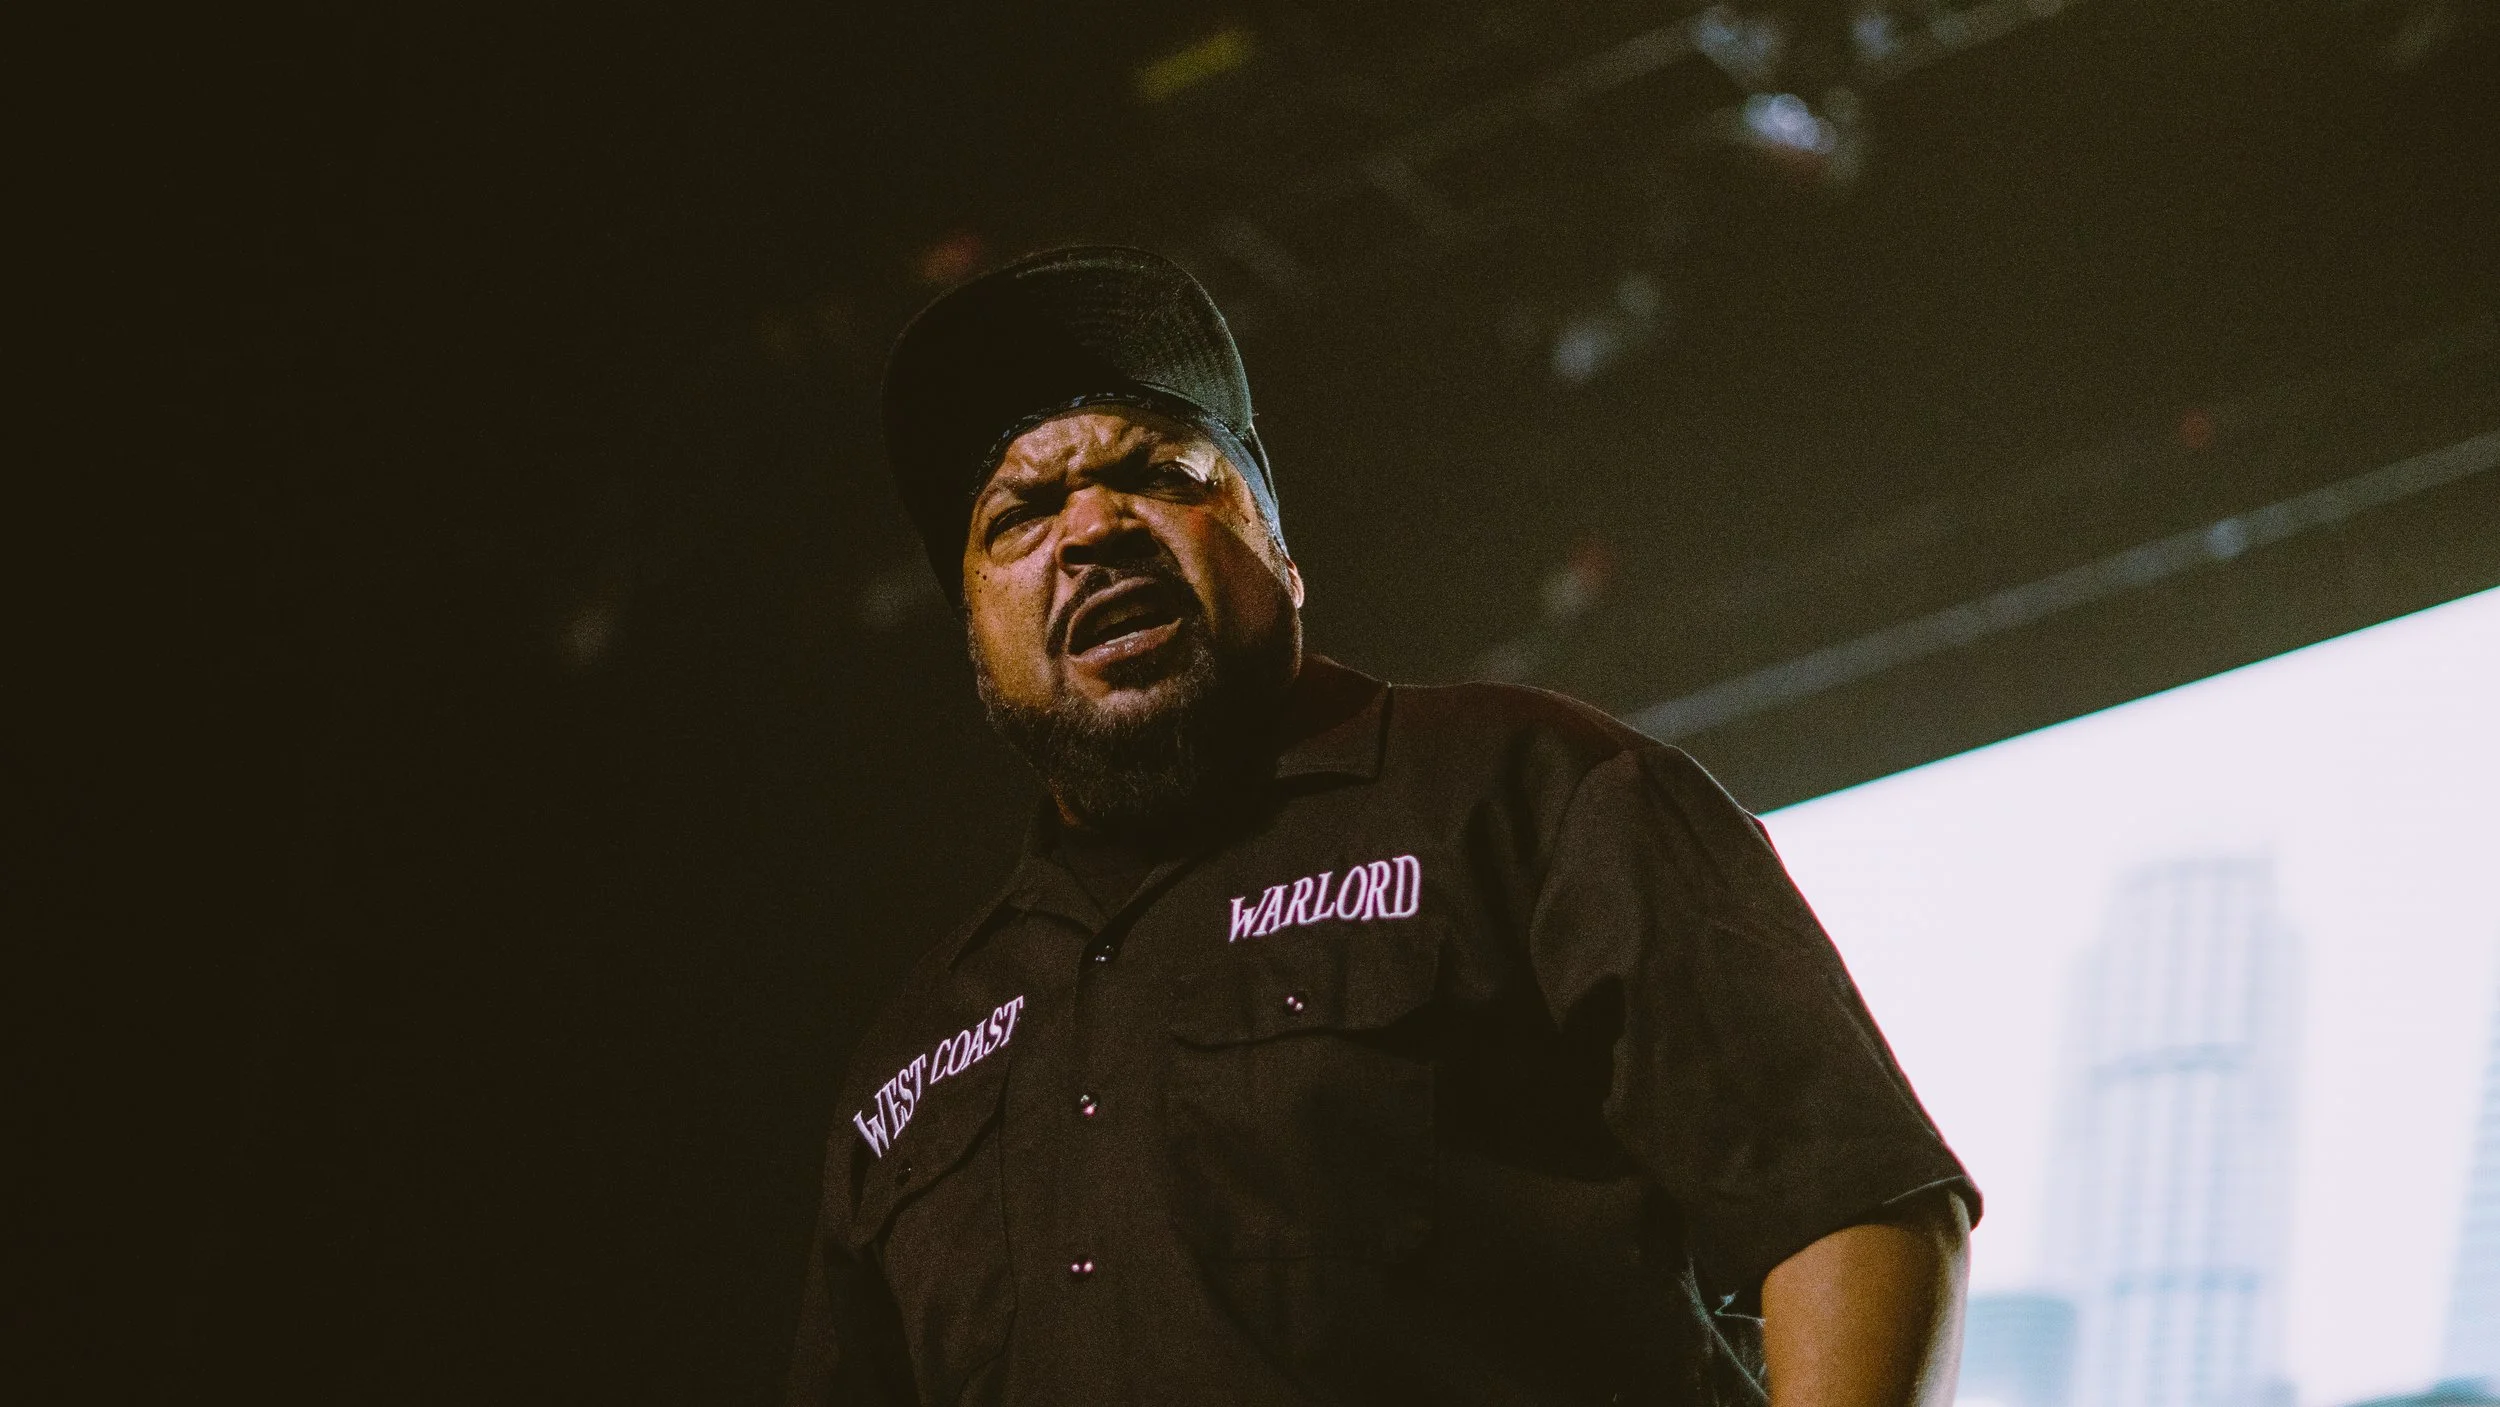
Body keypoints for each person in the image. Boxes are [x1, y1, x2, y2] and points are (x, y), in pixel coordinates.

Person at [785, 245, 1976, 1407]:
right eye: (1022, 512)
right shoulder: (908, 1056)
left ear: (1280, 550)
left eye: (1164, 473)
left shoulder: (1526, 789)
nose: (1094, 527)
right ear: (975, 635)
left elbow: (1853, 1205)